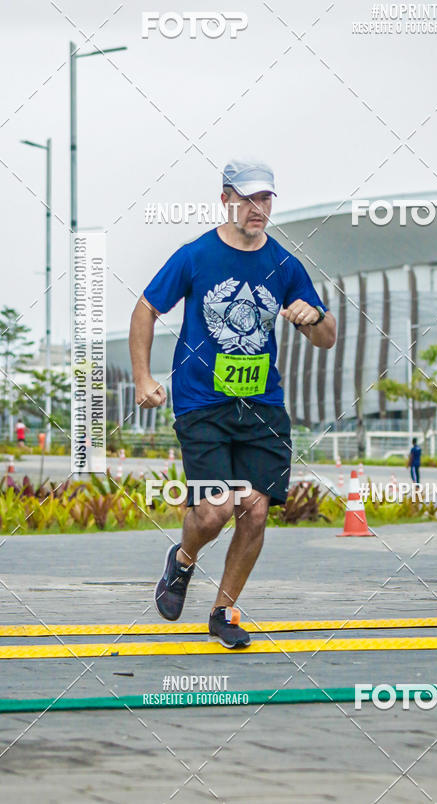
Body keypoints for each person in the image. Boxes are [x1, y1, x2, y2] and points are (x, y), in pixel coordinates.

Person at [129, 158, 336, 648]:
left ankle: (224, 611)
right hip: (203, 403)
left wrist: (313, 318)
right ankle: (182, 561)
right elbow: (146, 307)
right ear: (226, 199)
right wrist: (142, 376)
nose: (257, 208)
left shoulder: (285, 264)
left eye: (265, 199)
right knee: (214, 510)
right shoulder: (196, 255)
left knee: (256, 511)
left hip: (263, 405)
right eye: (247, 199)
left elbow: (327, 337)